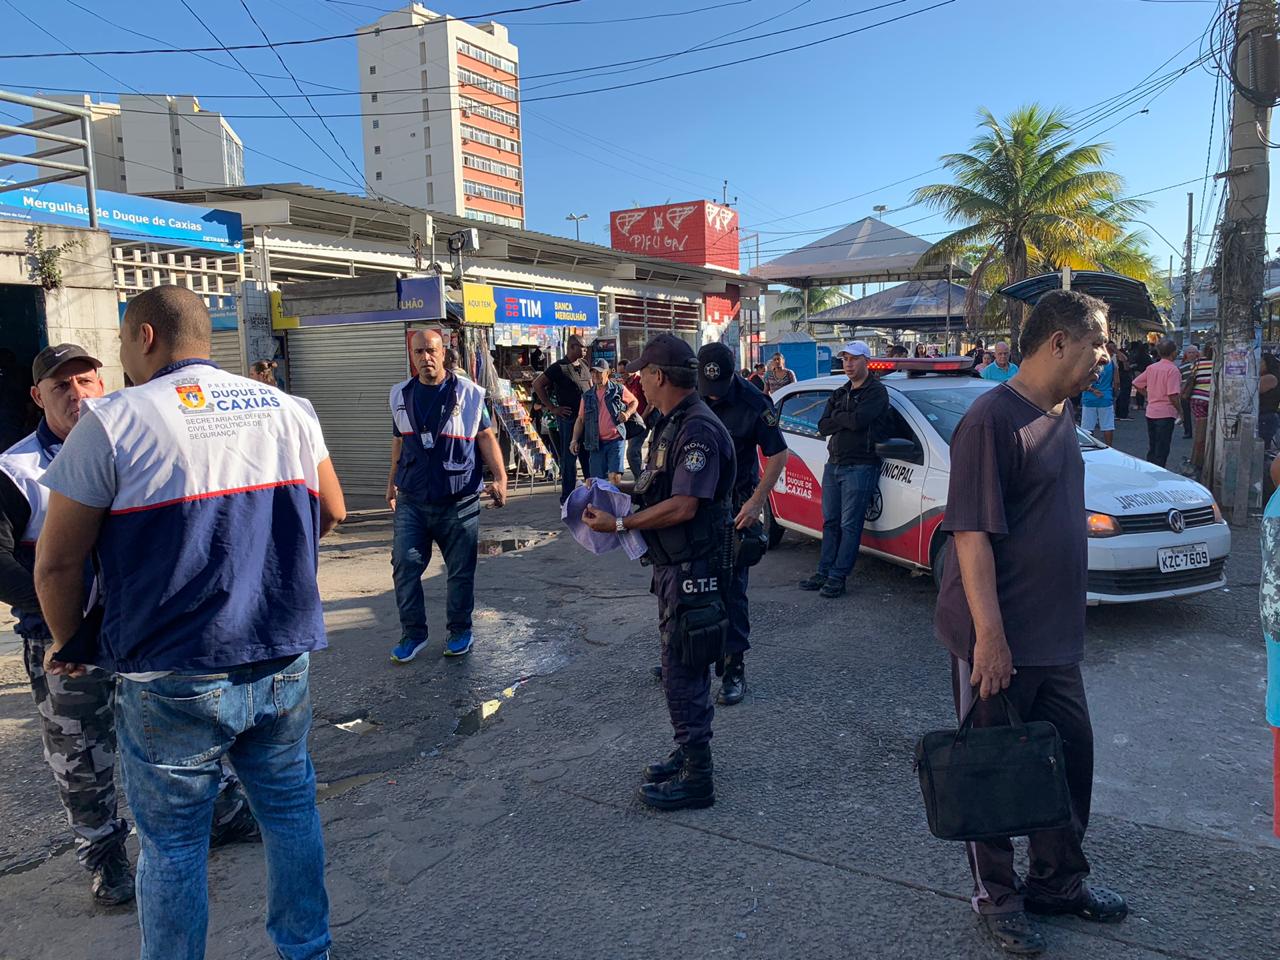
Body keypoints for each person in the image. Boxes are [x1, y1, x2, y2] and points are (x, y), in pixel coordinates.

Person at [34, 285, 348, 960]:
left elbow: (56, 565)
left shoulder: (112, 422)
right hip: (279, 654)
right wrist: (266, 564)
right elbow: (332, 509)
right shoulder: (289, 409)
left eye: (122, 340)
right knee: (290, 813)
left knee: (174, 843)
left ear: (145, 336)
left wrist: (69, 641)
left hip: (170, 673)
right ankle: (307, 949)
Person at [0, 343, 259, 908]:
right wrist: (61, 614)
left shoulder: (134, 439)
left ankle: (222, 813)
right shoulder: (17, 471)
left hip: (143, 629)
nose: (77, 395)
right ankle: (104, 856)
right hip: (64, 639)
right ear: (37, 396)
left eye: (86, 381)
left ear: (104, 382)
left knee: (182, 727)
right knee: (81, 755)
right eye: (61, 387)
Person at [935, 289, 1126, 956]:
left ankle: (1058, 884)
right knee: (992, 771)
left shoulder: (1060, 412)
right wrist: (990, 638)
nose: (1107, 356)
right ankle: (999, 897)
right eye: (1098, 342)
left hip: (1054, 639)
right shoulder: (991, 421)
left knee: (1069, 761)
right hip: (1001, 640)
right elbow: (971, 537)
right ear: (1058, 342)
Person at [581, 334, 735, 811]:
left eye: (642, 375)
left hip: (695, 566)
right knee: (679, 665)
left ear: (659, 376)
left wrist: (620, 523)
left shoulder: (698, 429)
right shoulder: (672, 422)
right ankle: (689, 752)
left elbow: (685, 505)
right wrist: (618, 490)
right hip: (675, 565)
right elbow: (662, 488)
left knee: (683, 668)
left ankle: (698, 776)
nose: (638, 384)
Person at [387, 329, 509, 663]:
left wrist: (500, 477)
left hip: (459, 498)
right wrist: (391, 481)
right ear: (412, 356)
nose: (425, 358)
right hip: (412, 498)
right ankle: (413, 634)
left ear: (443, 353)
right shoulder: (400, 394)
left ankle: (459, 631)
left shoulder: (469, 393)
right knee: (404, 564)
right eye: (418, 352)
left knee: (459, 571)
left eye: (431, 351)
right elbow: (399, 441)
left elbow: (485, 437)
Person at [692, 342, 789, 706]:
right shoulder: (691, 394)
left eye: (718, 389)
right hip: (694, 504)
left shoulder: (753, 402)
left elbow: (778, 453)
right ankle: (692, 655)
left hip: (735, 507)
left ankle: (734, 668)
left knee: (732, 591)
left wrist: (757, 501)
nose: (712, 396)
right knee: (690, 584)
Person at [798, 341, 889, 600]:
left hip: (861, 465)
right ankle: (824, 572)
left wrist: (838, 416)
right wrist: (843, 417)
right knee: (831, 522)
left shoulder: (876, 391)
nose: (848, 364)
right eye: (845, 359)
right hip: (834, 464)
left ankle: (838, 577)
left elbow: (859, 421)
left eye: (854, 359)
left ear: (866, 362)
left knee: (850, 525)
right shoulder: (841, 392)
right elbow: (822, 426)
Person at [533, 334, 593, 502]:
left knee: (588, 457)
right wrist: (553, 408)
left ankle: (591, 493)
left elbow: (590, 386)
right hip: (569, 419)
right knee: (569, 459)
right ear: (572, 347)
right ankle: (567, 498)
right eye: (582, 346)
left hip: (586, 419)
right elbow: (537, 384)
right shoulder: (558, 367)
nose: (585, 349)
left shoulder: (584, 364)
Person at [571, 359, 638, 485]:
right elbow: (580, 419)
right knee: (597, 482)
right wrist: (574, 440)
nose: (595, 375)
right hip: (595, 443)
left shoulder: (618, 389)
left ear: (607, 373)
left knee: (614, 477)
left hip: (616, 440)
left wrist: (627, 413)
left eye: (599, 372)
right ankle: (603, 498)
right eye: (593, 372)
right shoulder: (587, 396)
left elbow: (634, 402)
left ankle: (614, 498)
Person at [1133, 339, 1182, 468]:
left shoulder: (1151, 368)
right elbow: (1173, 395)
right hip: (1166, 412)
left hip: (1151, 411)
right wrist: (1180, 411)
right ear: (1173, 352)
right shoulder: (1173, 370)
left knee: (1153, 445)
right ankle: (1159, 471)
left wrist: (1148, 395)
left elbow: (1137, 383)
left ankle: (1150, 468)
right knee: (1162, 447)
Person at [1080, 343, 1118, 445]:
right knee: (1107, 426)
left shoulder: (1088, 363)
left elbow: (1081, 382)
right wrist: (1115, 393)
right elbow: (1117, 381)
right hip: (1106, 397)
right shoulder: (1111, 364)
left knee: (1087, 427)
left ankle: (1089, 447)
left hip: (1089, 398)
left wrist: (1092, 390)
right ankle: (1109, 447)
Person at [1190, 343, 1214, 475]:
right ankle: (1207, 459)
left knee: (1200, 430)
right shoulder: (1218, 363)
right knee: (1211, 430)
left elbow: (1192, 377)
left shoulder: (1198, 362)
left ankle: (1196, 462)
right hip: (1212, 400)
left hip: (1198, 399)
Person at [624, 360, 650, 480]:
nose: (622, 375)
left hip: (644, 420)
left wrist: (642, 419)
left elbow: (651, 404)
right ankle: (639, 478)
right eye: (619, 373)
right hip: (633, 422)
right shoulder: (624, 384)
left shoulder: (639, 381)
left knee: (631, 452)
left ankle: (641, 480)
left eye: (624, 372)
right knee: (635, 450)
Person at [1178, 344, 1200, 440]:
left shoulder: (1200, 365)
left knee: (1198, 413)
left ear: (1197, 353)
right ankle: (1188, 431)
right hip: (1185, 392)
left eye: (1193, 352)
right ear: (1186, 354)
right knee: (1186, 413)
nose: (1191, 354)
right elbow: (1179, 380)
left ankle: (1198, 431)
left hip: (1198, 392)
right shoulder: (1181, 367)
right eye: (1189, 352)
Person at [1113, 341, 1133, 421]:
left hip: (1121, 375)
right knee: (1124, 395)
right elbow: (1126, 366)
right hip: (1124, 376)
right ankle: (1122, 414)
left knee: (1122, 395)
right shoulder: (1119, 355)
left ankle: (1120, 413)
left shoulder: (1114, 355)